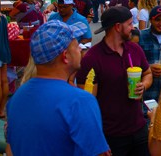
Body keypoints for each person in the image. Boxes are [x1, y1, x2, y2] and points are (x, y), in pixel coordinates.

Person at [6, 21, 111, 156]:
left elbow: (10, 149)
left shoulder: (17, 96)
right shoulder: (80, 101)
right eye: (76, 45)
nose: (80, 48)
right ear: (65, 56)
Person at [76, 6, 153, 156]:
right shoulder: (92, 58)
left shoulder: (134, 49)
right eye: (130, 24)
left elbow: (148, 73)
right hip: (111, 136)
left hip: (139, 129)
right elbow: (86, 104)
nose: (133, 27)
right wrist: (96, 141)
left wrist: (143, 85)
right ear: (118, 27)